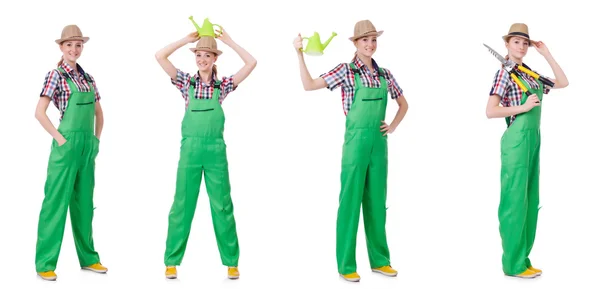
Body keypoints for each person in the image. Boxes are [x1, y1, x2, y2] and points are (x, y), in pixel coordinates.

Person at [293, 19, 409, 282]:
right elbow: (309, 85)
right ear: (355, 44)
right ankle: (346, 264)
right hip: (355, 144)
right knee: (349, 203)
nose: (370, 44)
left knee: (377, 203)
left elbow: (404, 105)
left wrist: (391, 126)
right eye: (365, 40)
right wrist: (299, 53)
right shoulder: (346, 71)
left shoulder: (385, 75)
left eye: (373, 40)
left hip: (379, 146)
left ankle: (380, 260)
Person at [155, 28, 257, 280]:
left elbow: (251, 62)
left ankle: (232, 262)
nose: (201, 59)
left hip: (215, 152)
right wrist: (185, 40)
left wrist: (229, 41)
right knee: (181, 206)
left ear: (214, 59)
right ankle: (171, 261)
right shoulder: (185, 83)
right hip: (190, 151)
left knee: (222, 206)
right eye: (198, 55)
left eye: (207, 55)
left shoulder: (222, 87)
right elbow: (160, 56)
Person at [486, 23, 569, 278]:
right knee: (514, 202)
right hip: (515, 141)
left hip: (533, 139)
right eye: (515, 42)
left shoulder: (528, 74)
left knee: (530, 200)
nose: (521, 47)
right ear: (507, 45)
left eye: (524, 43)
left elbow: (563, 83)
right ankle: (512, 264)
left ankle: (523, 259)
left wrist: (546, 54)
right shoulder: (503, 74)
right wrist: (522, 108)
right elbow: (490, 111)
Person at [34, 24, 107, 281]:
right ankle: (44, 262)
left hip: (88, 147)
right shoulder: (55, 75)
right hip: (66, 147)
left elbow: (99, 113)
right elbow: (39, 113)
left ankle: (89, 258)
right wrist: (60, 139)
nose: (74, 49)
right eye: (69, 45)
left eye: (78, 45)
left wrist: (96, 141)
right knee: (55, 203)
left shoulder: (88, 78)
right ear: (61, 47)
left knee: (85, 204)